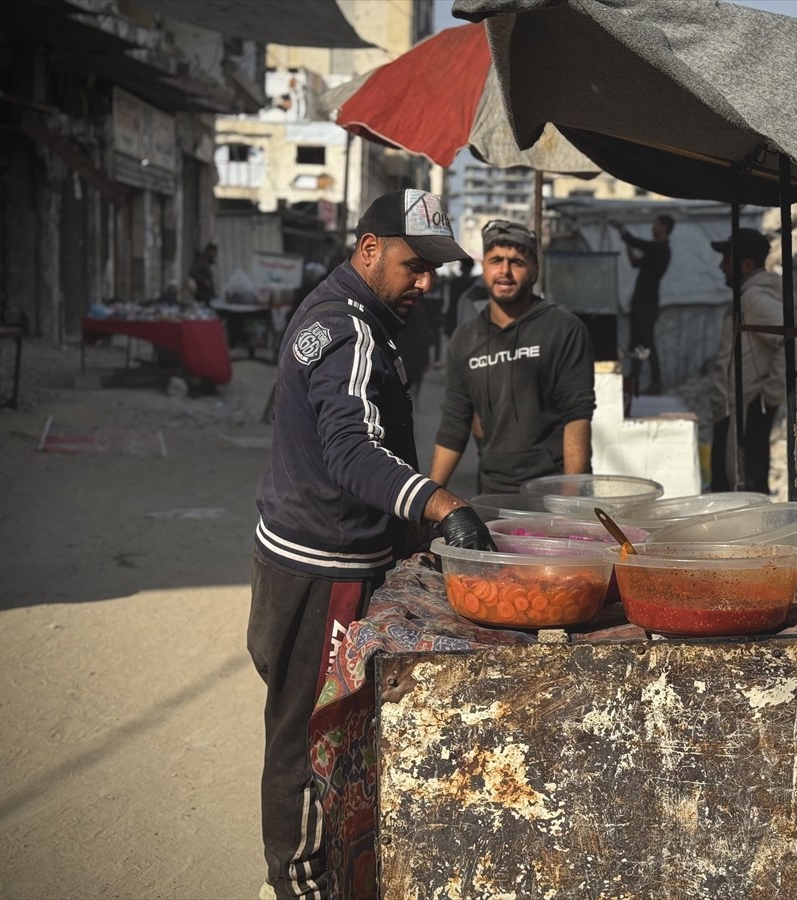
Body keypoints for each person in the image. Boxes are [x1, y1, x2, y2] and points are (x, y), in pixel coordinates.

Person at [249, 189, 497, 900]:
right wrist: (439, 501)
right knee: (306, 733)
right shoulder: (347, 328)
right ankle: (296, 882)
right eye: (414, 266)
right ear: (368, 249)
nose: (425, 284)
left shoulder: (362, 315)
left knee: (328, 729)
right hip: (318, 569)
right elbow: (352, 452)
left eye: (433, 273)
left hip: (314, 557)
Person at [430, 219, 597, 495]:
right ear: (484, 267)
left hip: (551, 491)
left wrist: (571, 504)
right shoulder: (465, 339)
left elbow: (577, 416)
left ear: (534, 271)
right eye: (496, 260)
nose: (504, 271)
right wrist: (429, 498)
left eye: (516, 262)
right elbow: (453, 424)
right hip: (492, 492)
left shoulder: (564, 329)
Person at [708, 228, 788, 495]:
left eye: (727, 261)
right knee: (733, 488)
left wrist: (770, 394)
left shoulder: (753, 297)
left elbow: (794, 341)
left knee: (745, 491)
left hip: (747, 406)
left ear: (746, 264)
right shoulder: (748, 295)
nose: (721, 267)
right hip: (736, 407)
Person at [611, 215, 673, 394]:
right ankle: (633, 381)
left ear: (664, 227)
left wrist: (623, 232)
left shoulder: (661, 249)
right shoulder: (656, 250)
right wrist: (627, 242)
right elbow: (635, 262)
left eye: (656, 224)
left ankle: (656, 383)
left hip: (647, 303)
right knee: (635, 343)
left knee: (647, 342)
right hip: (641, 302)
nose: (653, 227)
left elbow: (637, 243)